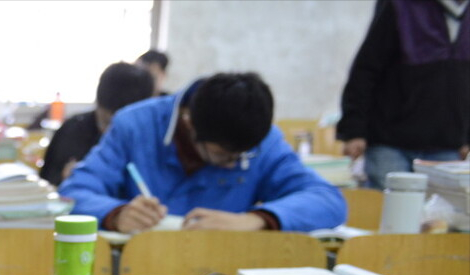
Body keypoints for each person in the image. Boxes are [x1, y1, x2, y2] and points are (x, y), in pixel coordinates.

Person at [58, 72, 347, 233]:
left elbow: (328, 201)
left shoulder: (261, 141)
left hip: (220, 272)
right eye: (222, 157)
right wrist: (116, 214)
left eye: (241, 157)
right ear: (189, 122)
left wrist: (255, 220)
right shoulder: (135, 125)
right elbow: (73, 194)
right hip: (137, 270)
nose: (234, 164)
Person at [337, 0, 470, 190]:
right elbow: (365, 71)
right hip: (390, 145)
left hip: (447, 146)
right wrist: (354, 131)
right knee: (390, 213)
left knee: (439, 217)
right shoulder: (400, 6)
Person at [38, 62, 155, 186]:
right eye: (107, 121)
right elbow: (47, 180)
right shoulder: (72, 130)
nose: (113, 130)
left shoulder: (151, 136)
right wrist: (65, 177)